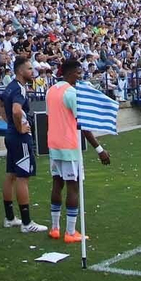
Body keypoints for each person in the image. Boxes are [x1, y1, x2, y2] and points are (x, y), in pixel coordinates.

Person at [44, 57, 111, 244]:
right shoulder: (72, 93)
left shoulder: (51, 91)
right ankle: (70, 232)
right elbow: (83, 125)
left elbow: (49, 118)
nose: (80, 76)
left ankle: (55, 228)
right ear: (70, 73)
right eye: (78, 73)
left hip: (54, 145)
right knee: (73, 186)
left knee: (57, 184)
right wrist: (99, 149)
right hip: (69, 147)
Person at [0, 54, 45, 233]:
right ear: (20, 71)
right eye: (29, 69)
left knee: (11, 174)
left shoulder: (10, 86)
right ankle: (26, 223)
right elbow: (17, 110)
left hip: (10, 135)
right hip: (20, 138)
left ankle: (10, 218)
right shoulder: (19, 89)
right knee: (22, 177)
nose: (33, 72)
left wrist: (10, 123)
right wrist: (19, 127)